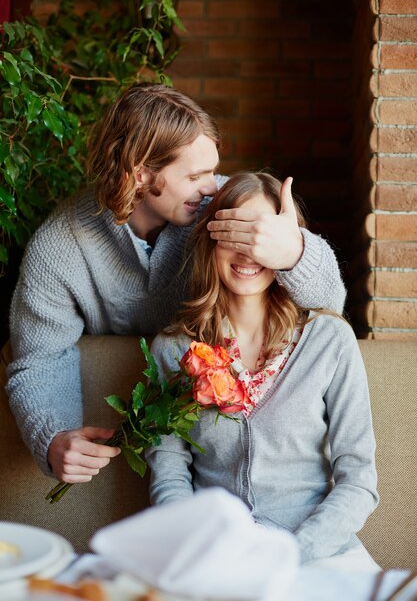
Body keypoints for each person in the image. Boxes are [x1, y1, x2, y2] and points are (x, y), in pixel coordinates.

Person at [6, 84, 346, 485]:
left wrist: (295, 253)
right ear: (141, 174)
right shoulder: (59, 247)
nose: (211, 186)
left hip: (226, 442)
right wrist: (53, 436)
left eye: (212, 170)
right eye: (195, 175)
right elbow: (38, 358)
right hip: (147, 443)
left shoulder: (219, 208)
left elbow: (331, 305)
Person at [145, 171, 379, 569]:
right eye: (233, 234)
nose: (247, 251)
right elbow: (168, 474)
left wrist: (292, 554)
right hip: (213, 553)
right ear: (210, 241)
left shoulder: (330, 340)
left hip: (316, 553)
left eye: (260, 236)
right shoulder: (172, 350)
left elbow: (359, 481)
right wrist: (198, 547)